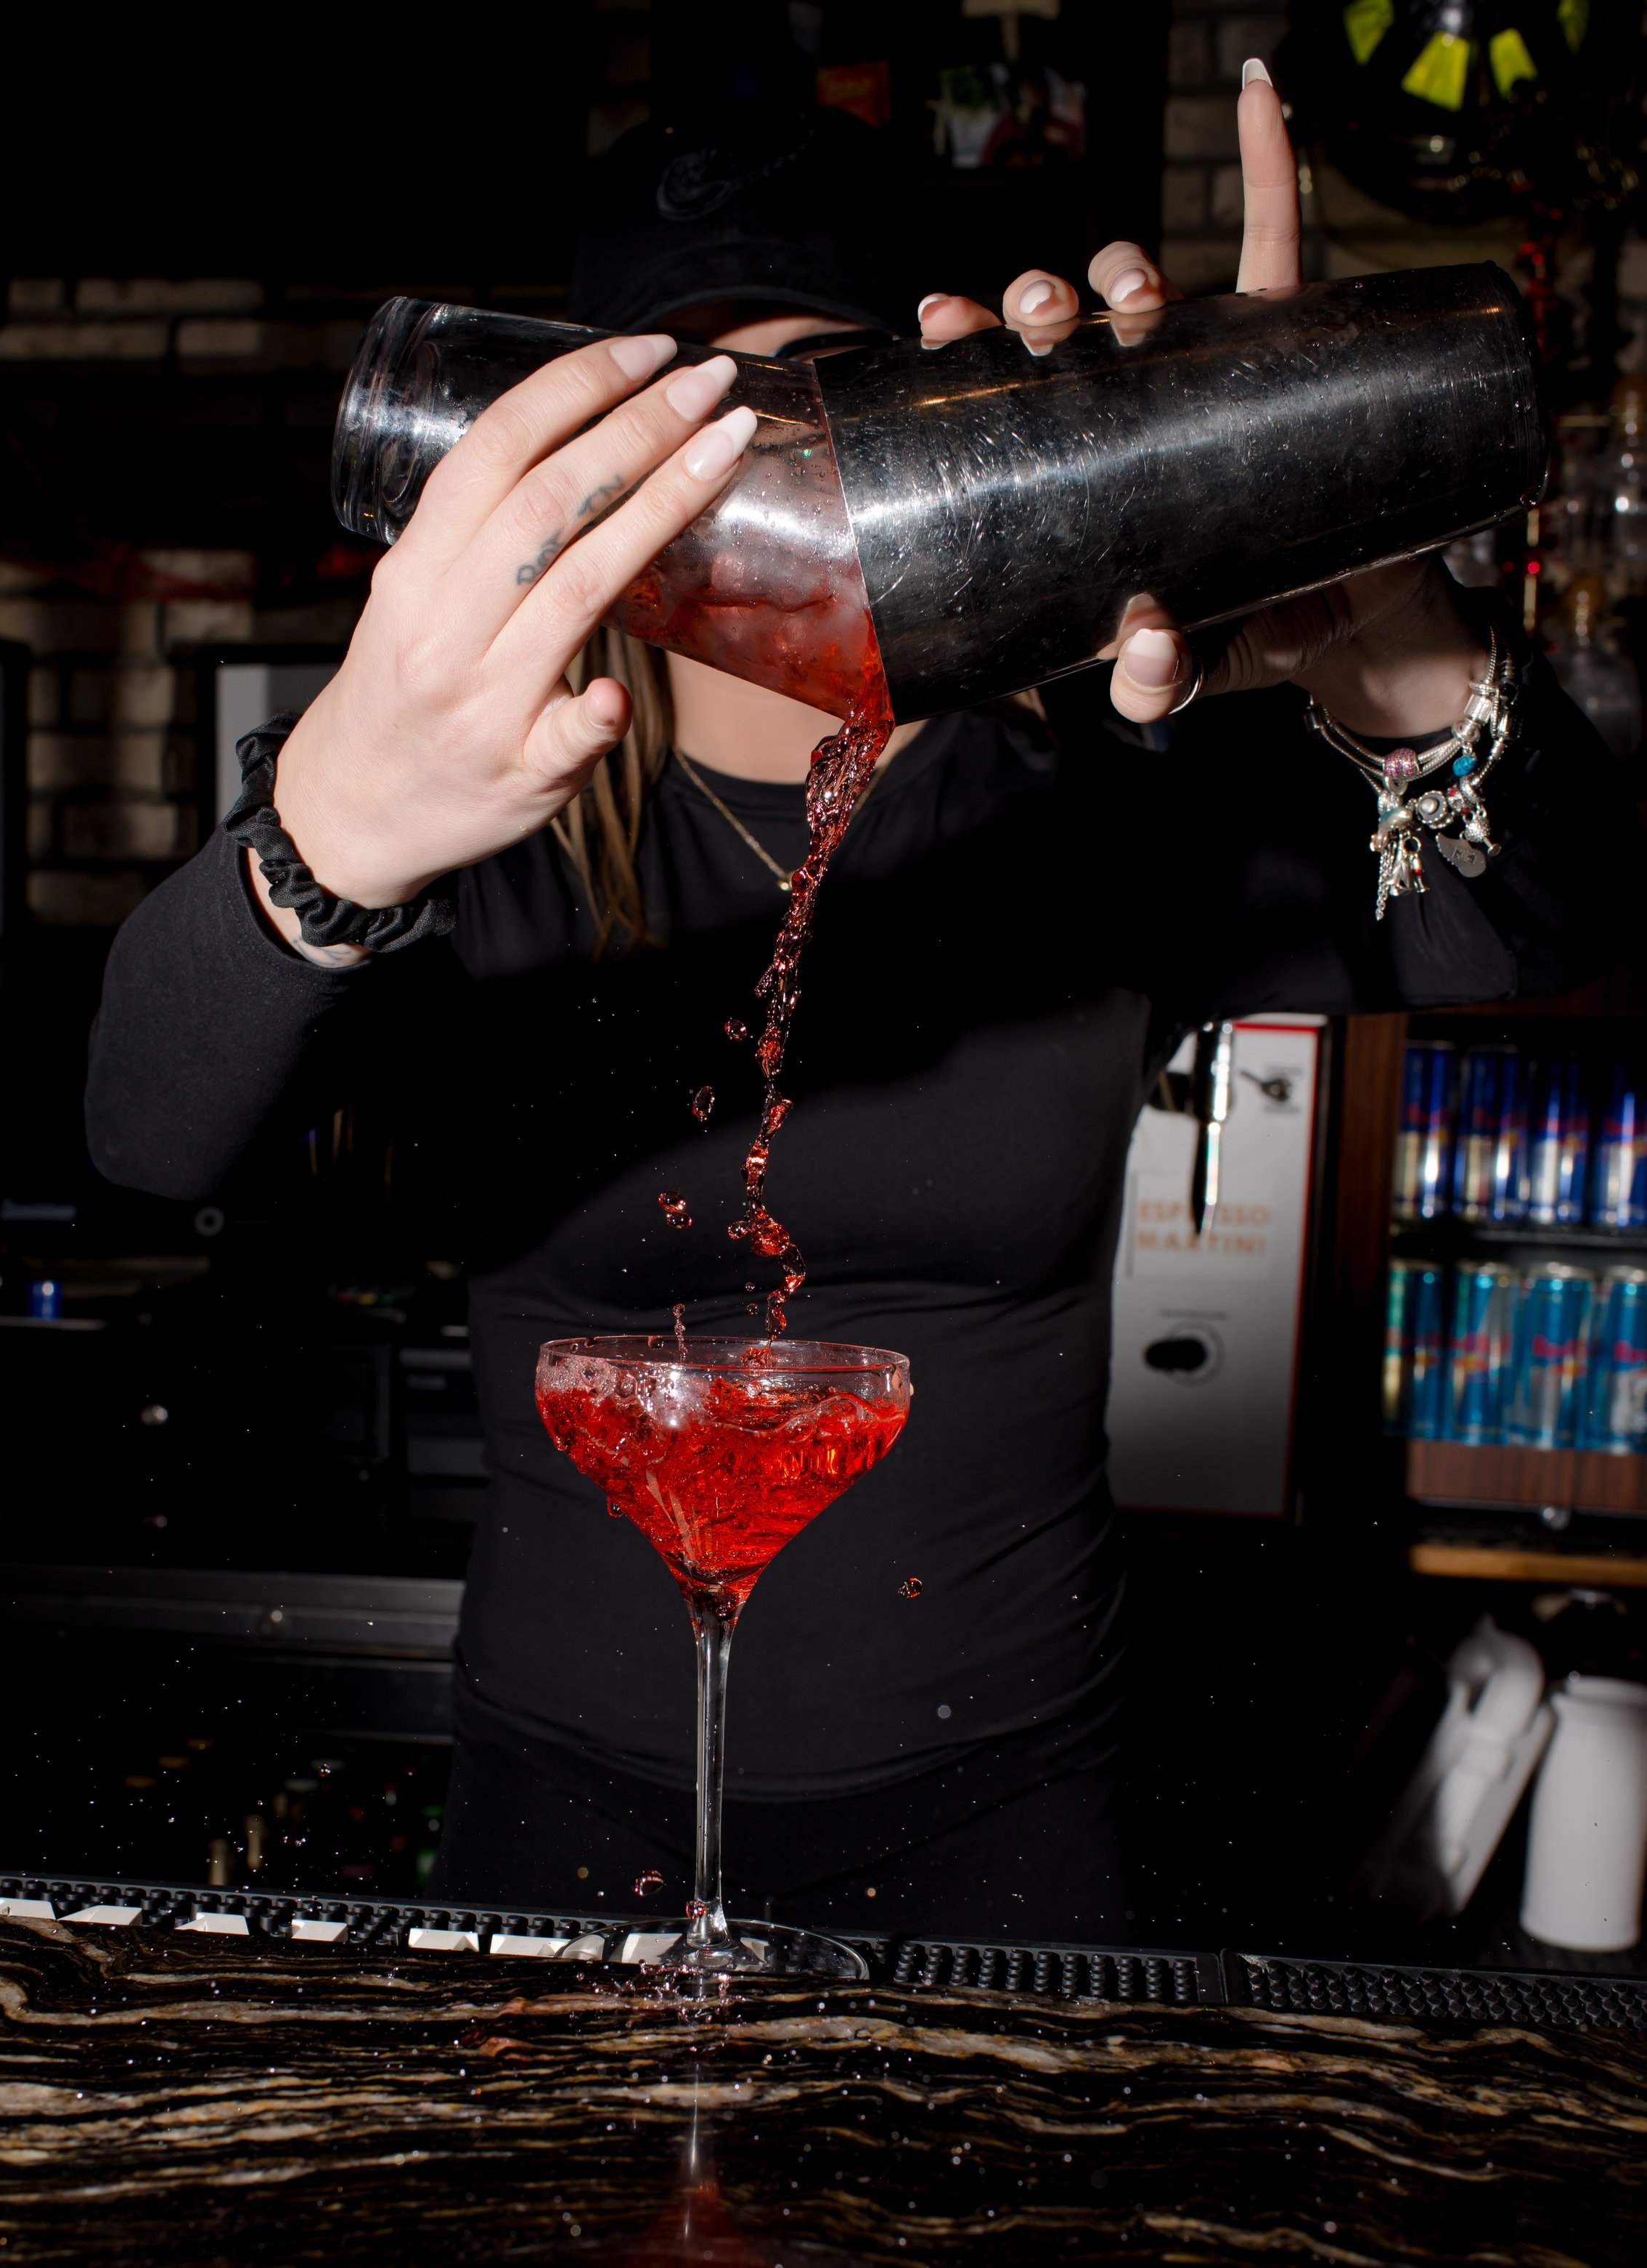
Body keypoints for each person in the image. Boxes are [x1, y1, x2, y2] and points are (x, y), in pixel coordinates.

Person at [86, 75, 1622, 1941]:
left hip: (1018, 1810)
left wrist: (1386, 627)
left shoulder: (1097, 781)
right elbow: (147, 1138)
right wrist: (327, 828)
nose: (758, 492)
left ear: (933, 429)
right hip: (562, 1810)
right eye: (687, 422)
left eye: (822, 410)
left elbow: (1544, 930)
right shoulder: (469, 799)